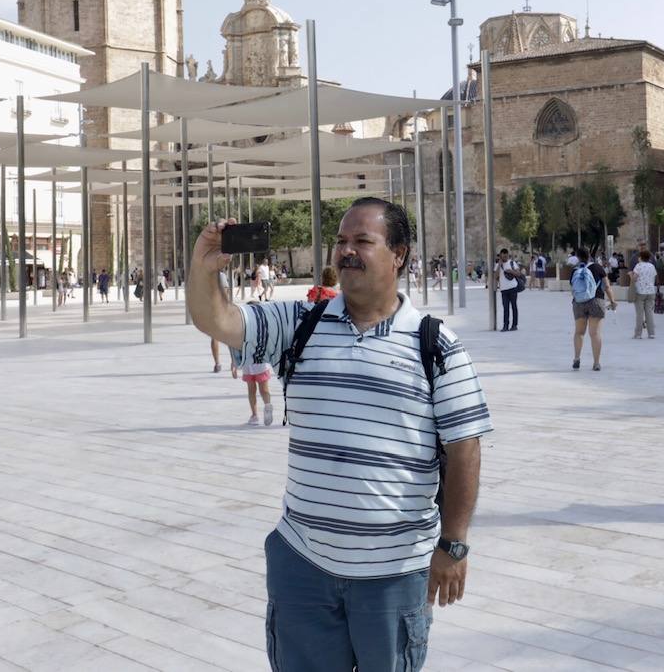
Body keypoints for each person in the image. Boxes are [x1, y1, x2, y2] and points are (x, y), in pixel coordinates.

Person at [188, 197, 491, 670]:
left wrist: (453, 543)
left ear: (399, 254)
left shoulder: (436, 346)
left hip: (393, 573)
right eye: (342, 241)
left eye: (363, 242)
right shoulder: (301, 325)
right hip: (303, 564)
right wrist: (205, 267)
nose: (347, 251)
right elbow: (219, 321)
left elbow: (465, 448)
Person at [570, 246, 616, 371]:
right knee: (595, 333)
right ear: (590, 254)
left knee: (579, 332)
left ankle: (576, 358)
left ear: (577, 257)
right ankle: (596, 363)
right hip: (597, 301)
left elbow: (573, 289)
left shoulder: (575, 270)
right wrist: (612, 301)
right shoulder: (597, 267)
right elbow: (606, 286)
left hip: (579, 303)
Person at [236, 358, 275, 426]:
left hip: (255, 364)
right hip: (252, 365)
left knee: (258, 390)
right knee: (257, 390)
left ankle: (261, 411)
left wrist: (234, 363)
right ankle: (259, 412)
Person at [629, 249, 658, 339]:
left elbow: (634, 279)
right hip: (651, 292)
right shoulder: (652, 266)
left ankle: (638, 334)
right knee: (649, 313)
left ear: (641, 258)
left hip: (640, 292)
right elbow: (654, 277)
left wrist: (630, 274)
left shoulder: (638, 266)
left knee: (640, 314)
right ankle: (651, 333)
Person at [496, 248, 523, 331]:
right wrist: (499, 265)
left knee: (514, 306)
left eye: (506, 256)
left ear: (508, 255)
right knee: (505, 308)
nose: (504, 258)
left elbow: (518, 274)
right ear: (500, 256)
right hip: (503, 290)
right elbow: (495, 276)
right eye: (503, 256)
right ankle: (505, 326)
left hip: (513, 288)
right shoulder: (498, 265)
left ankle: (514, 325)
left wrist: (511, 271)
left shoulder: (512, 263)